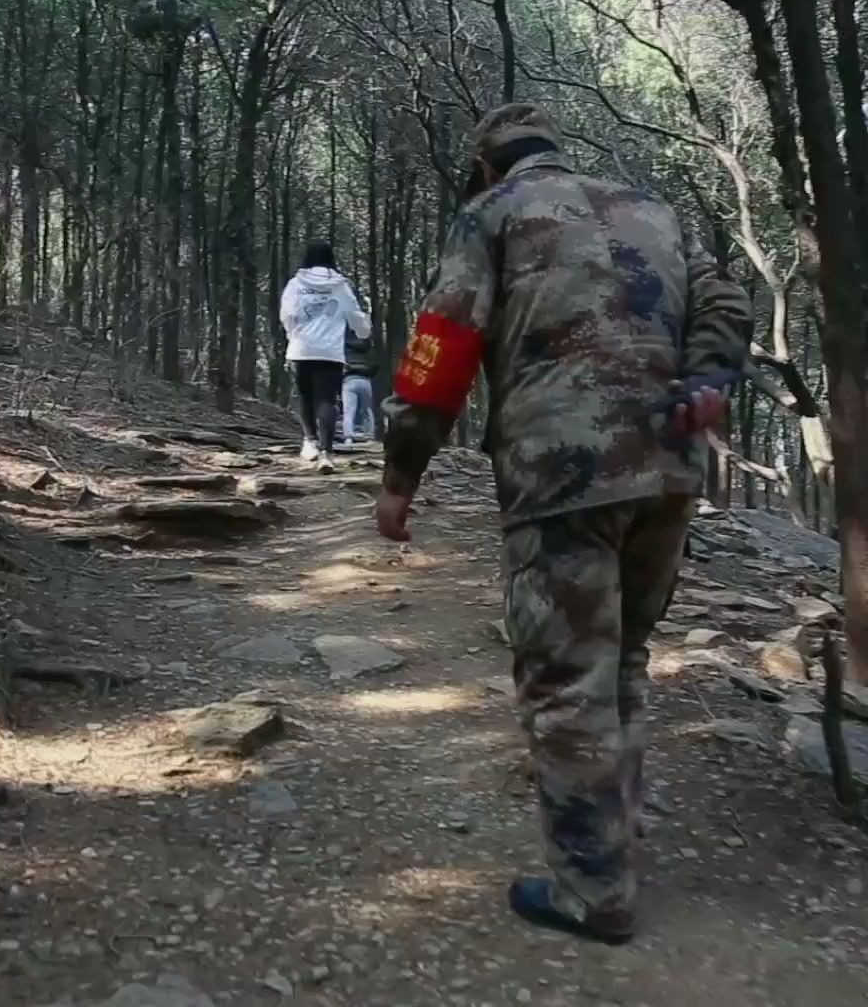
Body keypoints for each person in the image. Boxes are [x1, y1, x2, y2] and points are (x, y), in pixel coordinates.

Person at [375, 104, 745, 945]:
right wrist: (707, 374)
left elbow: (441, 346)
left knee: (567, 678)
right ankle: (618, 829)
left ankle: (593, 891)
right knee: (625, 659)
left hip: (563, 471)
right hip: (668, 467)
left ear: (487, 164)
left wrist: (399, 479)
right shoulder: (653, 208)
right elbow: (725, 297)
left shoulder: (492, 214)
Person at [281, 240, 370, 472]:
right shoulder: (340, 285)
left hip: (301, 348)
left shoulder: (295, 284)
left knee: (305, 396)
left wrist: (293, 335)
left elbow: (287, 314)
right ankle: (327, 453)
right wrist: (363, 331)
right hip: (330, 351)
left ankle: (309, 442)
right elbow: (355, 315)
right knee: (327, 400)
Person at [341, 324, 378, 445]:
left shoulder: (344, 345)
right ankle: (370, 437)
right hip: (365, 380)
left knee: (349, 410)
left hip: (349, 380)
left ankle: (349, 438)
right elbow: (375, 365)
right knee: (367, 410)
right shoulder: (368, 346)